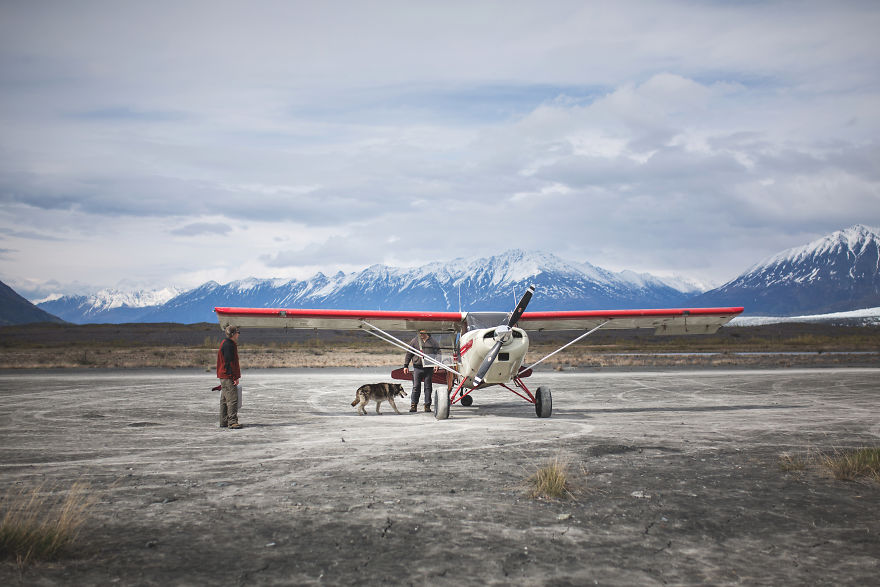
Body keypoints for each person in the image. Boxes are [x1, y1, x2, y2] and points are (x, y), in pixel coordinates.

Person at [403, 329, 440, 412]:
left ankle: (427, 405)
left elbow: (438, 353)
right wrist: (406, 365)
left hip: (429, 368)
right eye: (419, 333)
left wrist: (437, 364)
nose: (421, 335)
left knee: (428, 387)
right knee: (416, 386)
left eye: (422, 333)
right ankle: (413, 405)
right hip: (417, 367)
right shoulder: (414, 341)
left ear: (426, 332)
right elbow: (409, 353)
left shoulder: (433, 341)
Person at [217, 325, 242, 429]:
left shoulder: (227, 343)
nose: (238, 334)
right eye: (237, 332)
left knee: (224, 399)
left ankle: (224, 421)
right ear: (233, 334)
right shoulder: (229, 345)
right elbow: (229, 363)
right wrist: (234, 377)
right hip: (227, 376)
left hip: (224, 375)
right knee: (232, 399)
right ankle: (232, 422)